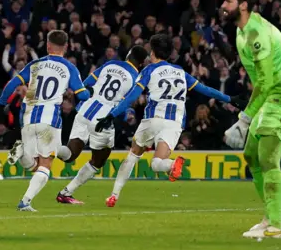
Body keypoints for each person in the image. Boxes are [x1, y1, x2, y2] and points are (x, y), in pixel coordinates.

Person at [95, 34, 240, 207]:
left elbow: (131, 97)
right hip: (174, 123)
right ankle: (171, 164)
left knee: (133, 156)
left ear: (153, 52)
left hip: (153, 120)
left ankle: (114, 195)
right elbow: (206, 90)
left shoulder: (149, 70)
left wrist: (111, 114)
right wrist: (230, 99)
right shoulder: (180, 72)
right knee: (157, 164)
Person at [220, 0, 281, 239]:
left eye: (228, 1)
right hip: (270, 97)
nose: (223, 5)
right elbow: (260, 81)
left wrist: (245, 118)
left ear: (243, 5)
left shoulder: (256, 34)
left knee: (268, 158)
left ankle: (278, 226)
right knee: (251, 155)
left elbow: (266, 81)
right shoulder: (240, 31)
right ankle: (272, 214)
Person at [0, 30, 90, 212]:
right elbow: (82, 95)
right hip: (50, 120)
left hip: (28, 118)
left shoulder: (35, 64)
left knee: (35, 165)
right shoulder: (69, 68)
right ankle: (25, 202)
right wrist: (84, 92)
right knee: (46, 165)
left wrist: (0, 104)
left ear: (47, 45)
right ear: (66, 47)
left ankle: (21, 153)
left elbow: (13, 84)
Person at [55, 45, 148, 204]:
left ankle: (50, 147)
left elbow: (87, 83)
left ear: (128, 54)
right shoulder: (136, 78)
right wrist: (119, 115)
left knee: (70, 154)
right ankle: (66, 192)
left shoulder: (110, 64)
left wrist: (88, 95)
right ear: (141, 63)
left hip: (85, 111)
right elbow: (127, 102)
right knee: (99, 160)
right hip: (103, 118)